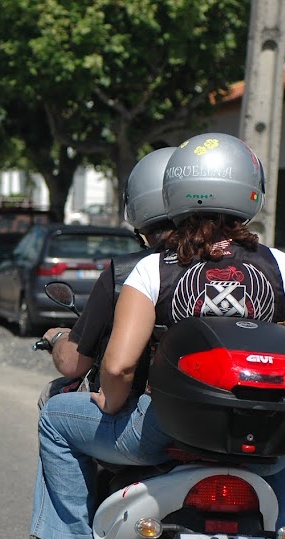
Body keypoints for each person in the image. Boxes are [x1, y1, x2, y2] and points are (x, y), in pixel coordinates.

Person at [30, 133, 285, 539]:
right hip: (257, 438)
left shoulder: (155, 267)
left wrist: (110, 406)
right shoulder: (283, 267)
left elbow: (117, 367)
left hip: (163, 429)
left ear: (173, 193)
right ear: (252, 191)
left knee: (55, 417)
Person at [41, 147, 176, 388]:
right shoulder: (260, 262)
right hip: (246, 409)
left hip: (153, 412)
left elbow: (77, 364)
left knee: (53, 402)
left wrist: (59, 336)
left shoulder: (129, 272)